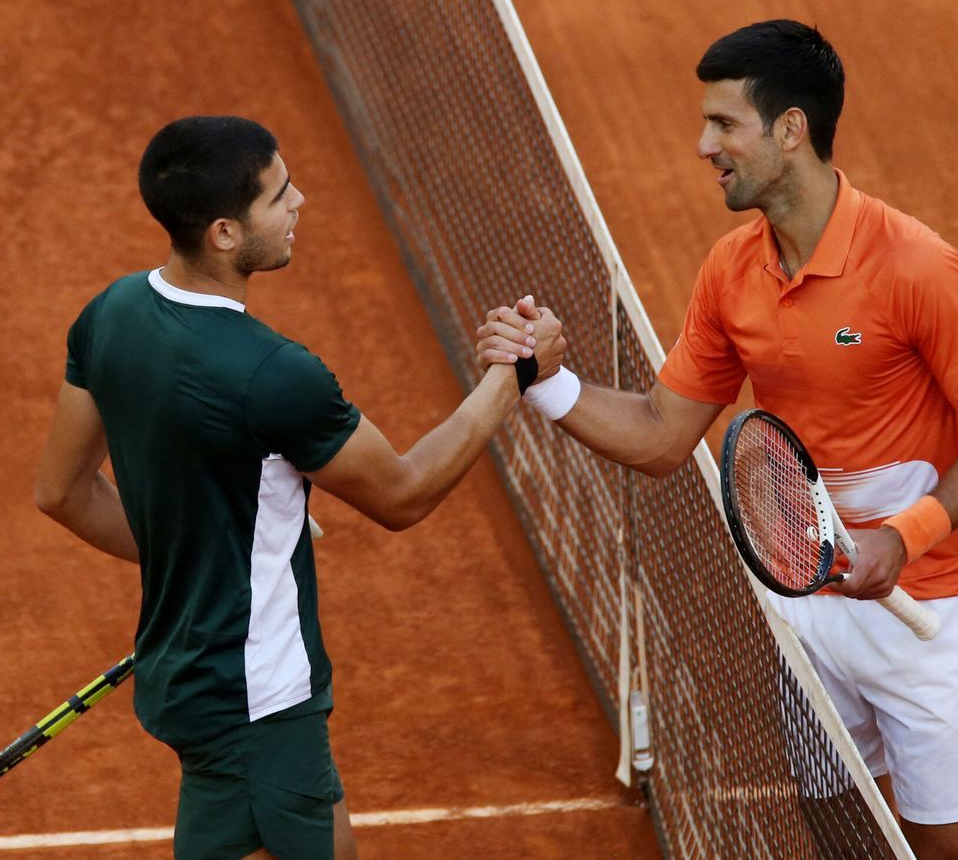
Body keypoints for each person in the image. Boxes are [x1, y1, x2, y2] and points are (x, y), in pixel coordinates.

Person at [476, 20, 958, 860]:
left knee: (947, 848)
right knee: (838, 829)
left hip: (932, 607)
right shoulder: (732, 271)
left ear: (790, 129)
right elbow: (664, 435)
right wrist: (544, 381)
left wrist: (903, 536)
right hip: (807, 603)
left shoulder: (917, 268)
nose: (705, 145)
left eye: (723, 124)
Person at [34, 115, 563, 860]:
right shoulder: (272, 375)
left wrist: (211, 554)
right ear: (223, 232)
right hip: (258, 704)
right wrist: (513, 377)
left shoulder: (111, 314)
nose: (300, 201)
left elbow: (64, 491)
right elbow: (404, 493)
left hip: (203, 680)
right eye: (278, 195)